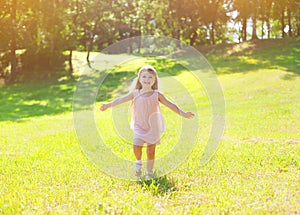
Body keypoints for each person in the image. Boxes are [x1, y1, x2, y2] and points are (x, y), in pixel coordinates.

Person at [100, 65, 195, 178]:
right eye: (144, 76)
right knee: (136, 145)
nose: (147, 79)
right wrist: (107, 105)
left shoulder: (157, 95)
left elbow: (170, 105)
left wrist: (183, 113)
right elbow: (120, 99)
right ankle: (138, 161)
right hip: (139, 126)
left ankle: (149, 173)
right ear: (139, 79)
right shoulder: (135, 93)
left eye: (150, 77)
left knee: (151, 151)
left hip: (153, 127)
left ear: (154, 80)